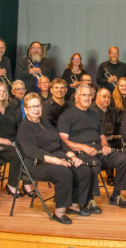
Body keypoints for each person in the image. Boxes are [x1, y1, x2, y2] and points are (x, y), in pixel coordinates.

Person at [17, 93, 97, 223]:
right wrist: (57, 161)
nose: (36, 109)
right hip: (37, 163)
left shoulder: (45, 122)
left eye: (38, 106)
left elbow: (60, 142)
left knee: (83, 170)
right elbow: (32, 151)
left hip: (58, 157)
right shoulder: (25, 127)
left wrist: (72, 156)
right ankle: (59, 212)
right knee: (64, 173)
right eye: (32, 107)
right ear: (25, 109)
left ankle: (73, 204)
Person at [58, 84, 126, 209]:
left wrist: (105, 146)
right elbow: (63, 140)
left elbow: (102, 136)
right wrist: (83, 147)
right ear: (76, 97)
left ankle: (116, 195)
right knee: (93, 162)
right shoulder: (67, 115)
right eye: (84, 95)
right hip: (80, 153)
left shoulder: (94, 114)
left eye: (89, 95)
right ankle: (89, 199)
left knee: (123, 158)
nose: (88, 98)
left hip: (98, 150)